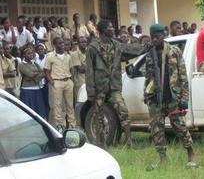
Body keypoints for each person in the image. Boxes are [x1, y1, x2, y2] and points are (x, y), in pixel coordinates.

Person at [85, 20, 150, 148]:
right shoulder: (92, 48)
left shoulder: (117, 45)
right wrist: (91, 92)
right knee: (98, 116)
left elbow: (133, 50)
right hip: (99, 87)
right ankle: (101, 143)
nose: (113, 29)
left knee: (123, 111)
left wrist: (148, 46)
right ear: (103, 31)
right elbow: (89, 71)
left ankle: (129, 141)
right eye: (110, 27)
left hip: (114, 86)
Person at [144, 24, 196, 170]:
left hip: (172, 96)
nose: (154, 39)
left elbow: (183, 77)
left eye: (157, 36)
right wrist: (146, 95)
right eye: (152, 37)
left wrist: (184, 99)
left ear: (164, 35)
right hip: (155, 98)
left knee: (179, 127)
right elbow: (148, 78)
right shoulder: (150, 54)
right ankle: (162, 159)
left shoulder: (174, 51)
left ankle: (191, 155)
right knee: (156, 130)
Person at [44, 37, 75, 132]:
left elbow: (72, 70)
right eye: (60, 43)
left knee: (70, 104)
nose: (62, 45)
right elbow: (46, 71)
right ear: (55, 45)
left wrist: (71, 81)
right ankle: (59, 125)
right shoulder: (50, 56)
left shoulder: (68, 56)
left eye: (63, 43)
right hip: (57, 82)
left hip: (68, 81)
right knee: (58, 105)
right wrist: (52, 82)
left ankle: (72, 124)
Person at [18, 45, 47, 118]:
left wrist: (34, 77)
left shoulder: (35, 63)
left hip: (37, 88)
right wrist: (36, 75)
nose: (31, 55)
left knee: (39, 110)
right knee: (30, 111)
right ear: (24, 55)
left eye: (32, 53)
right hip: (27, 90)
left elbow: (43, 73)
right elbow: (30, 74)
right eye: (28, 53)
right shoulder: (21, 64)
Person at [71, 36, 87, 103]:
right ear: (78, 43)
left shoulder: (89, 52)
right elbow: (81, 69)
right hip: (79, 82)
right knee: (80, 101)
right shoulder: (74, 54)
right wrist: (92, 66)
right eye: (82, 42)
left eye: (85, 42)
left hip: (89, 80)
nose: (84, 43)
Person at [35, 43, 49, 117]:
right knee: (41, 101)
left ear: (44, 50)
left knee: (47, 101)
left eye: (42, 49)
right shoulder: (36, 60)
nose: (40, 51)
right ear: (36, 51)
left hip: (47, 82)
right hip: (39, 84)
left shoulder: (47, 58)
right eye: (39, 49)